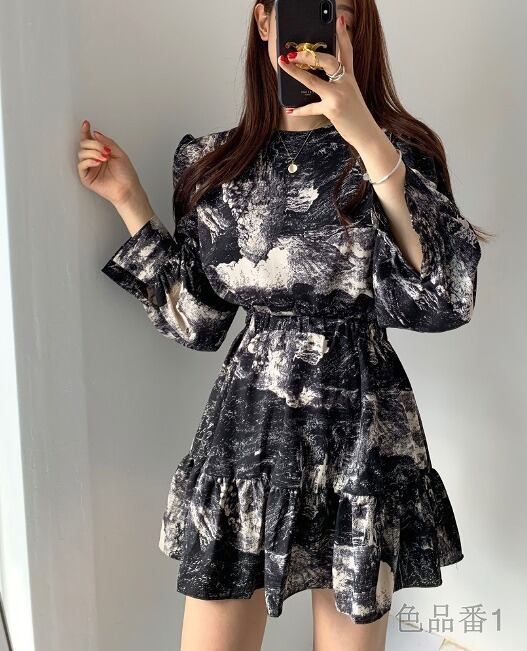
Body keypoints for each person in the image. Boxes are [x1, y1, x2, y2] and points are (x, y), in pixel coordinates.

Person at [77, 1, 487, 649]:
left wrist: (367, 139)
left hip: (362, 433)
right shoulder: (212, 162)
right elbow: (199, 320)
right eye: (298, 7)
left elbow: (443, 297)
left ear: (355, 26)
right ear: (264, 21)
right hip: (248, 432)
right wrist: (130, 200)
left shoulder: (398, 153)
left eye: (336, 11)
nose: (317, 30)